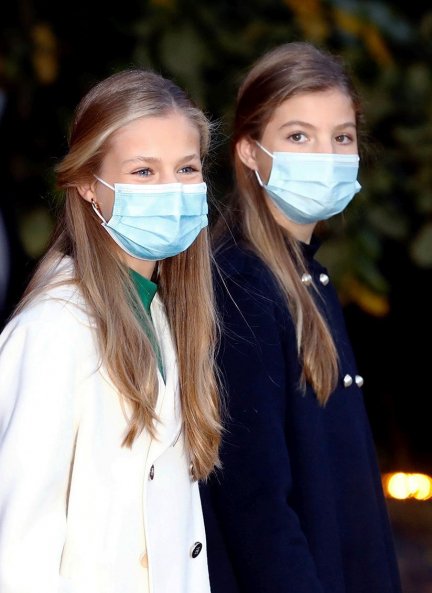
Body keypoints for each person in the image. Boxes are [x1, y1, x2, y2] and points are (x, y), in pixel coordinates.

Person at [0, 68, 222, 593]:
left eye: (186, 168)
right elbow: (15, 549)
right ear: (87, 186)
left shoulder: (165, 316)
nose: (172, 189)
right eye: (144, 171)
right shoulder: (54, 329)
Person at [201, 42, 402, 593]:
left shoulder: (309, 280)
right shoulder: (241, 284)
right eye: (298, 136)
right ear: (248, 151)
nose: (326, 156)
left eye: (341, 137)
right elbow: (256, 505)